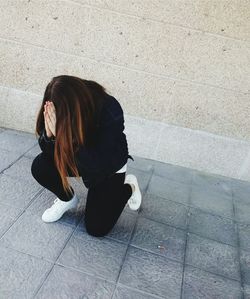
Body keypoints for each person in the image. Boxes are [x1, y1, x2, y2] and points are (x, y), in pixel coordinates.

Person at [31, 75, 142, 237]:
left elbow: (96, 164)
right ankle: (67, 199)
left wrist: (62, 140)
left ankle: (128, 187)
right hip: (80, 156)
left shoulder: (109, 109)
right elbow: (49, 154)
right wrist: (50, 136)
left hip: (107, 166)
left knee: (97, 228)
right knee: (40, 166)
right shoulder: (56, 107)